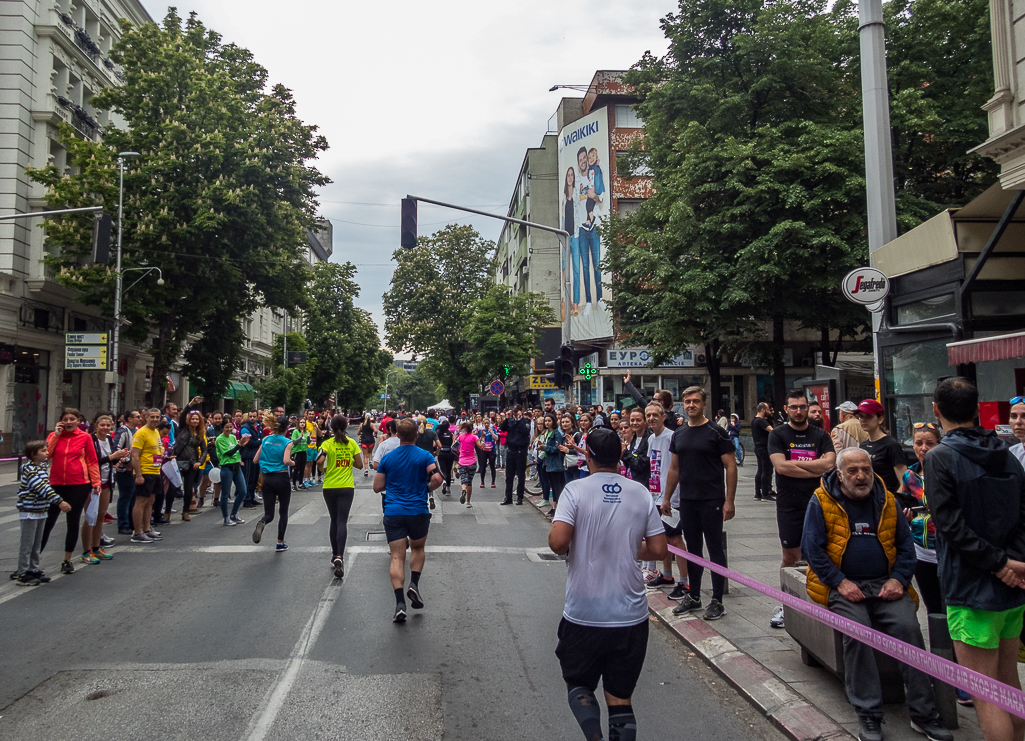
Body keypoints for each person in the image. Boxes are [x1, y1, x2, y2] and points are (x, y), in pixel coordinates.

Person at [802, 447, 952, 741]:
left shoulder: (888, 500)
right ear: (840, 475)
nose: (861, 476)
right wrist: (840, 582)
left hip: (886, 583)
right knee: (858, 632)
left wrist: (898, 579)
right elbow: (812, 549)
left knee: (909, 629)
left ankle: (924, 714)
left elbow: (906, 548)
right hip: (842, 585)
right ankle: (869, 715)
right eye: (853, 471)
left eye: (866, 470)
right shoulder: (821, 500)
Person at [549, 427, 667, 741]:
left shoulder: (574, 491)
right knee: (620, 697)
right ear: (620, 455)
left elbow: (558, 544)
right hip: (630, 614)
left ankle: (594, 737)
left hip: (584, 612)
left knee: (578, 683)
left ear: (587, 455)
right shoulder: (639, 492)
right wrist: (629, 547)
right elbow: (658, 550)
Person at [926, 378, 1025, 741]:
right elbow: (1022, 513)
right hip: (1012, 585)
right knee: (1009, 682)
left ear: (936, 410)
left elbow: (949, 525)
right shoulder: (1006, 451)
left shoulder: (940, 457)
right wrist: (1013, 561)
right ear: (976, 407)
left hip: (970, 587)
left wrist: (1000, 564)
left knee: (985, 693)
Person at [661, 386, 737, 621]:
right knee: (693, 550)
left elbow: (731, 466)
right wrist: (666, 498)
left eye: (695, 401)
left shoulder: (716, 432)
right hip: (688, 501)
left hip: (712, 500)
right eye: (687, 401)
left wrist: (729, 501)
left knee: (714, 549)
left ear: (704, 404)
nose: (691, 404)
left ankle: (717, 600)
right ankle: (694, 596)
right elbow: (674, 468)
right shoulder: (679, 434)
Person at [767, 388, 835, 629]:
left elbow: (830, 464)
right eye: (794, 407)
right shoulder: (777, 435)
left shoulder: (820, 434)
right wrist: (814, 467)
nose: (798, 411)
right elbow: (781, 468)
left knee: (822, 554)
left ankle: (820, 603)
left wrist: (792, 463)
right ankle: (786, 606)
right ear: (786, 409)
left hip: (819, 503)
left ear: (808, 408)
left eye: (802, 407)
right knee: (790, 556)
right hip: (789, 505)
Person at [373, 418, 443, 623]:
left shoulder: (388, 457)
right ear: (416, 435)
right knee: (418, 549)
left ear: (397, 434)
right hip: (418, 511)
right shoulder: (425, 456)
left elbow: (377, 487)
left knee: (397, 556)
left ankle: (399, 604)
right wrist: (426, 488)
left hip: (394, 511)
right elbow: (438, 479)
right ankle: (414, 584)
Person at [42, 408, 101, 573]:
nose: (68, 422)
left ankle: (67, 560)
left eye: (72, 419)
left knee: (72, 521)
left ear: (78, 421)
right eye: (65, 419)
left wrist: (95, 481)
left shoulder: (85, 437)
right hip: (56, 483)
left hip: (79, 484)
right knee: (48, 522)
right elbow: (46, 456)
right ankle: (32, 561)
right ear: (61, 421)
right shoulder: (54, 436)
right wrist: (55, 436)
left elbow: (92, 460)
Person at [643, 403, 689, 599]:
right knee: (662, 537)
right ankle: (667, 575)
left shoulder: (672, 437)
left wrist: (669, 497)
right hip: (655, 495)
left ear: (663, 417)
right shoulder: (651, 438)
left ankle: (685, 582)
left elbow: (676, 468)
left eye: (655, 415)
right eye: (648, 415)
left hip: (672, 497)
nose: (651, 418)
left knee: (675, 539)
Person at [13, 441, 70, 586]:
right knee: (27, 544)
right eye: (43, 451)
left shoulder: (43, 467)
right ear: (33, 454)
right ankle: (23, 573)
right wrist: (59, 501)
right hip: (29, 510)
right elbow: (42, 487)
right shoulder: (29, 469)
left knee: (36, 543)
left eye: (46, 450)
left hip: (41, 509)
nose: (46, 453)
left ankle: (33, 569)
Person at [317, 414, 363, 576]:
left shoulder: (327, 444)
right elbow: (359, 464)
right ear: (345, 427)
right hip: (346, 487)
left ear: (331, 427)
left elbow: (319, 461)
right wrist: (347, 461)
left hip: (329, 486)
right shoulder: (351, 444)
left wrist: (324, 469)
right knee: (342, 521)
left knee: (333, 520)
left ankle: (333, 554)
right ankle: (340, 556)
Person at [83, 412, 128, 562]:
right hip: (92, 482)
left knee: (101, 515)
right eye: (102, 425)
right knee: (90, 516)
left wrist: (116, 460)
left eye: (108, 425)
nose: (105, 428)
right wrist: (111, 458)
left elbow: (109, 460)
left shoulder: (109, 439)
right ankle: (86, 550)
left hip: (106, 481)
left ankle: (96, 547)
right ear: (96, 426)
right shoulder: (91, 439)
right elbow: (92, 460)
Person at [252, 413, 298, 554]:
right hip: (282, 478)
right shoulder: (287, 442)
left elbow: (255, 460)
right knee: (283, 512)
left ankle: (263, 521)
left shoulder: (266, 439)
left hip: (268, 479)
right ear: (287, 428)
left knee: (269, 513)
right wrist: (293, 462)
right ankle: (280, 542)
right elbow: (285, 461)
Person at [857, 399, 908, 504]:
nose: (863, 420)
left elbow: (904, 480)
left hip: (885, 502)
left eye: (868, 416)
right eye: (861, 416)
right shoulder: (863, 445)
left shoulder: (890, 445)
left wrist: (892, 502)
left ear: (880, 419)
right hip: (867, 501)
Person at [130, 408, 166, 544]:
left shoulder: (156, 431)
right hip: (145, 471)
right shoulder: (141, 433)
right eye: (152, 417)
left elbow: (156, 449)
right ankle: (137, 532)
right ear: (146, 418)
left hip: (155, 471)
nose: (155, 419)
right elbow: (135, 455)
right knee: (141, 502)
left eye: (157, 417)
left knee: (150, 501)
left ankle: (146, 529)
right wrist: (138, 475)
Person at [172, 410, 206, 521]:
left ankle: (185, 511)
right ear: (188, 420)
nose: (195, 421)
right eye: (193, 419)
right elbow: (182, 415)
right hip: (178, 461)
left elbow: (204, 450)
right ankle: (167, 511)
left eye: (197, 419)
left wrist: (199, 461)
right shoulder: (182, 429)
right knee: (172, 488)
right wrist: (190, 404)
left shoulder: (200, 433)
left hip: (192, 464)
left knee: (188, 489)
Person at [216, 417, 249, 527]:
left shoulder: (233, 437)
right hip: (227, 467)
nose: (229, 429)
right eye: (227, 427)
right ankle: (226, 517)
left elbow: (238, 451)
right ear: (223, 428)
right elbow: (229, 453)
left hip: (236, 466)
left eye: (231, 427)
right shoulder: (220, 439)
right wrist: (239, 445)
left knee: (243, 491)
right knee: (225, 494)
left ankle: (234, 513)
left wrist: (242, 446)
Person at [112, 410, 140, 535]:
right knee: (125, 496)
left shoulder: (138, 431)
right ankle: (123, 524)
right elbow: (116, 449)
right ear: (129, 419)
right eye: (137, 417)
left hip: (134, 469)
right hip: (124, 469)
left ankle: (131, 522)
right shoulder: (123, 431)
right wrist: (128, 462)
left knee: (133, 495)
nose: (140, 418)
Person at [499, 406, 531, 505]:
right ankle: (508, 497)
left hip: (520, 450)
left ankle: (520, 497)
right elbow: (502, 428)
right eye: (514, 411)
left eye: (517, 411)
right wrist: (507, 418)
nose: (515, 413)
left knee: (521, 475)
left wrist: (519, 419)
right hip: (511, 450)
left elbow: (525, 431)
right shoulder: (510, 421)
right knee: (509, 475)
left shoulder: (526, 421)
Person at [542, 412, 568, 518]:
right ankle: (554, 507)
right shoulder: (548, 432)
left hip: (555, 463)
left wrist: (545, 447)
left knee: (557, 487)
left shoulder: (556, 433)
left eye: (549, 421)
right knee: (553, 486)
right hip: (548, 462)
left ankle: (558, 508)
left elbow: (556, 449)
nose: (547, 423)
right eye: (546, 421)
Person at [620, 408, 651, 488]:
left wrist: (625, 452)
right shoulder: (634, 439)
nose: (634, 423)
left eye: (638, 420)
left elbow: (639, 465)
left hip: (643, 484)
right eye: (632, 420)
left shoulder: (649, 439)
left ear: (645, 421)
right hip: (631, 482)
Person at [239, 410, 263, 508]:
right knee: (248, 478)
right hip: (248, 456)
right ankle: (247, 499)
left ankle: (252, 497)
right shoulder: (245, 428)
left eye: (254, 416)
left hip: (256, 455)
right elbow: (249, 443)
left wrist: (259, 441)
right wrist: (261, 441)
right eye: (250, 416)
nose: (252, 418)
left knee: (254, 478)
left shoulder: (258, 426)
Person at [752, 403, 774, 502]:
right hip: (764, 448)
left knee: (760, 470)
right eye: (768, 409)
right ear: (763, 410)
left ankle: (757, 493)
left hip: (758, 447)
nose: (769, 411)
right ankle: (765, 493)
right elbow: (772, 431)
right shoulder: (761, 421)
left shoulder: (754, 420)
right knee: (766, 470)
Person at [455, 421, 481, 508]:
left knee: (463, 479)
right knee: (469, 482)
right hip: (472, 461)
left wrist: (458, 451)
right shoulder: (474, 437)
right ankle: (468, 502)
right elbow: (481, 446)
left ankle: (463, 490)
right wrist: (483, 439)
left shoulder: (460, 437)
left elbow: (453, 447)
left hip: (462, 461)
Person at [436, 418, 456, 496]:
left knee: (442, 469)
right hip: (449, 453)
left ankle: (443, 480)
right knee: (448, 469)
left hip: (441, 453)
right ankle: (448, 488)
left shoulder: (439, 434)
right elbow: (454, 446)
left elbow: (435, 444)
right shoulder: (451, 434)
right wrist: (453, 439)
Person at [477, 418, 498, 489]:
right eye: (485, 423)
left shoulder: (493, 430)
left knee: (492, 466)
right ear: (483, 424)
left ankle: (493, 482)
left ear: (489, 424)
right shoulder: (481, 431)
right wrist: (482, 436)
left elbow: (496, 438)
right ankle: (482, 481)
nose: (486, 425)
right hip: (484, 450)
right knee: (483, 466)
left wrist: (491, 432)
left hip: (491, 450)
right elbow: (478, 440)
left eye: (487, 423)